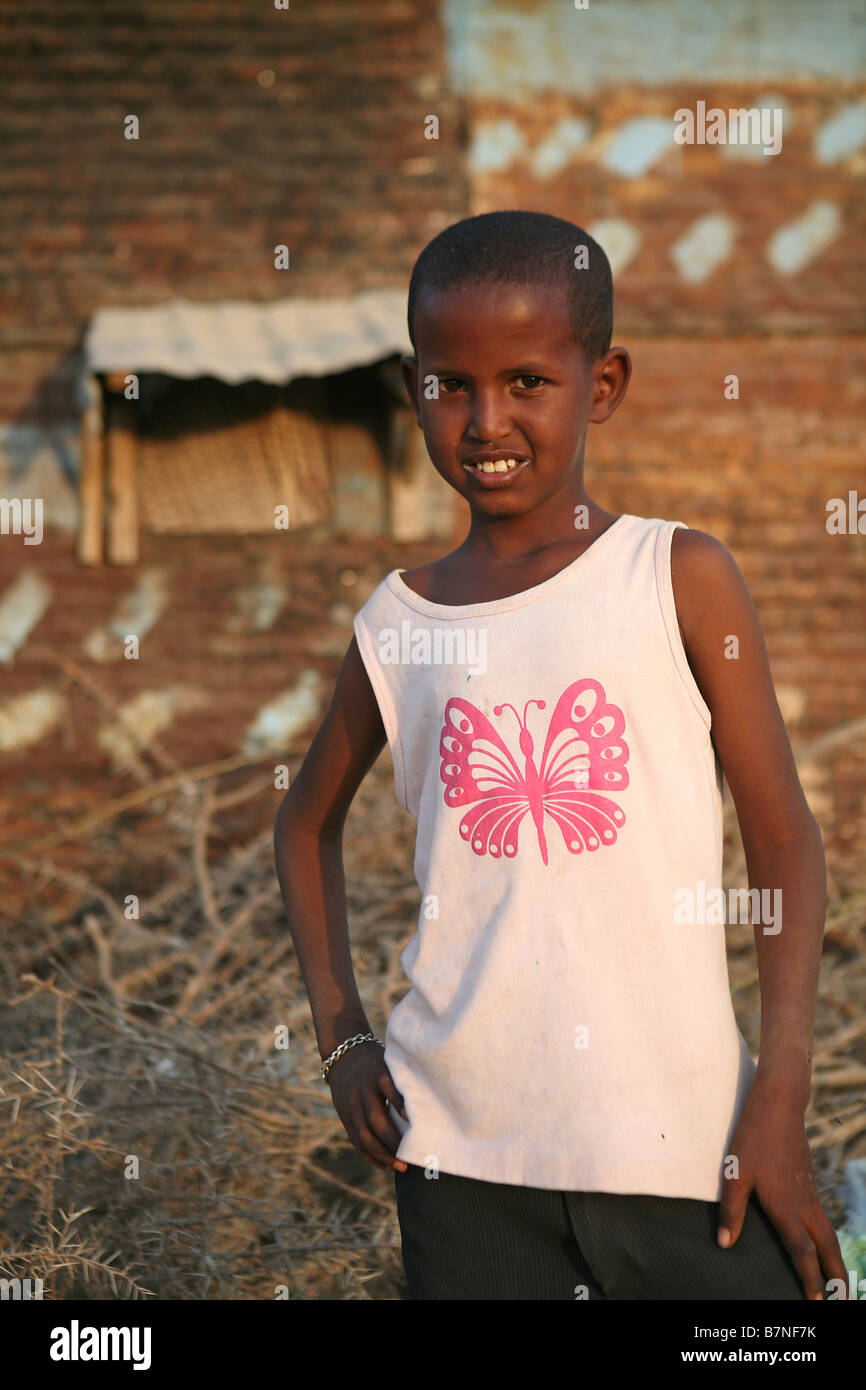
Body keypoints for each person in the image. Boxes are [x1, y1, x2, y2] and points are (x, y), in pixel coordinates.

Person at [273, 210, 847, 1300]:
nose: (485, 420)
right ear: (415, 392)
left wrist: (777, 1101)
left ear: (604, 382)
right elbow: (302, 822)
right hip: (460, 1158)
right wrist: (342, 1035)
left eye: (527, 381)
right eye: (450, 385)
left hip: (684, 1148)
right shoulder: (398, 624)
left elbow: (781, 837)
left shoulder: (674, 575)